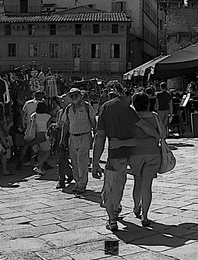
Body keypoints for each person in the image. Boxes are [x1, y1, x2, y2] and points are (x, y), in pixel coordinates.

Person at [97, 93, 145, 230]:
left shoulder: (106, 108)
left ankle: (112, 220)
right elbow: (144, 128)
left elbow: (100, 137)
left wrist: (95, 162)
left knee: (112, 188)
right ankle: (136, 208)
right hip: (134, 154)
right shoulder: (129, 110)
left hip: (116, 155)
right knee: (132, 182)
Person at [62, 89, 97, 193]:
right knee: (74, 161)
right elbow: (65, 124)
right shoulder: (68, 108)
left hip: (84, 135)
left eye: (76, 95)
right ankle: (77, 182)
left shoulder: (87, 106)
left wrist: (96, 133)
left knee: (82, 160)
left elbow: (93, 120)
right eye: (72, 95)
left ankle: (82, 183)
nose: (74, 97)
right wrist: (63, 138)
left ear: (80, 96)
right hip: (72, 136)